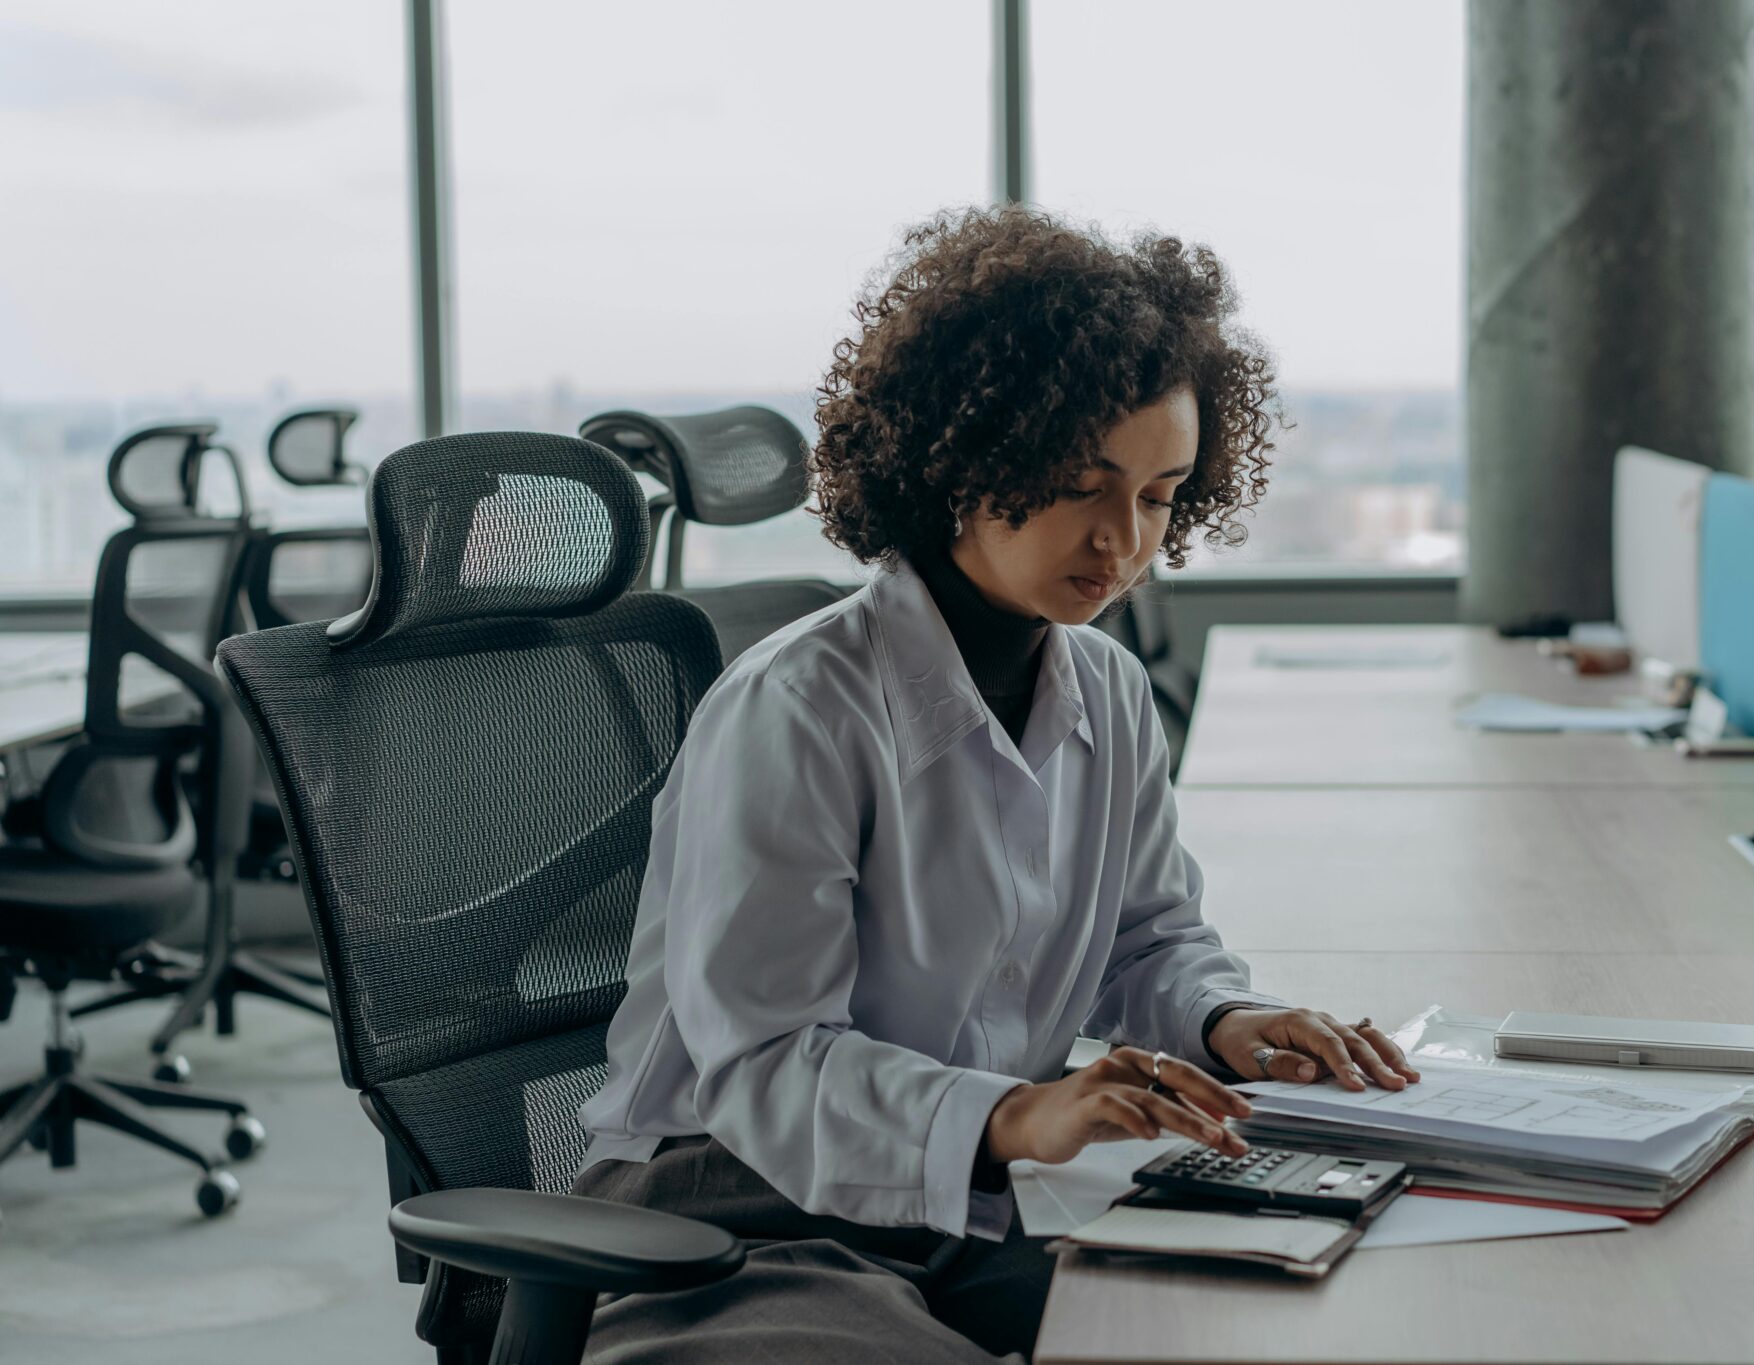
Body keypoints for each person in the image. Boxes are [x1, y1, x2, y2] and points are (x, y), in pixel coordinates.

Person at [572, 205, 1421, 1364]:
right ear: (965, 463)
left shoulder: (1110, 695)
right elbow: (760, 1064)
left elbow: (1144, 940)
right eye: (1082, 483)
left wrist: (1225, 1020)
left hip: (979, 1196)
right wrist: (1015, 1113)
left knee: (1274, 1310)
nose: (1123, 540)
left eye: (1162, 494)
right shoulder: (801, 708)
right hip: (738, 1216)